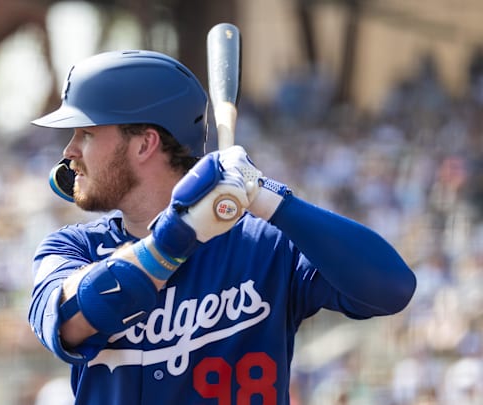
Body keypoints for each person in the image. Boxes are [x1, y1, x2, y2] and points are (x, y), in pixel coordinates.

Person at [27, 50, 416, 405]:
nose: (69, 151)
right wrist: (176, 237)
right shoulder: (71, 247)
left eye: (87, 134)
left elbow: (391, 289)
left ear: (145, 144)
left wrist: (268, 197)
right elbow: (71, 320)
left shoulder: (263, 242)